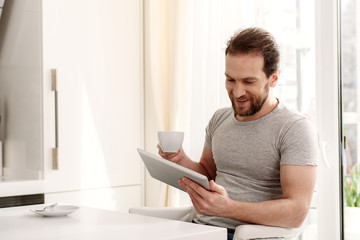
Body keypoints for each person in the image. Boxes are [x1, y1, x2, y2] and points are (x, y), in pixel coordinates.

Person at [158, 27, 319, 240]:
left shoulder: (295, 128)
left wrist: (227, 208)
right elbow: (208, 174)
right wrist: (180, 159)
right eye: (230, 80)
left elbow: (296, 212)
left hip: (246, 235)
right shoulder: (219, 119)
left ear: (273, 78)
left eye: (248, 81)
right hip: (201, 228)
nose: (237, 92)